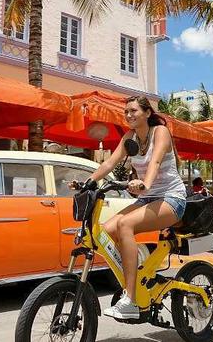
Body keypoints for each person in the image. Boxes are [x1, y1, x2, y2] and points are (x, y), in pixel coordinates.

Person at [72, 96, 187, 320]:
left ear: (147, 113)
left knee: (125, 224)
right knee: (105, 230)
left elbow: (154, 162)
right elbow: (108, 163)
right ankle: (138, 273)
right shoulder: (129, 137)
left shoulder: (160, 132)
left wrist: (146, 184)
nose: (129, 115)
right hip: (147, 199)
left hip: (172, 198)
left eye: (133, 110)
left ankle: (131, 299)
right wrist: (88, 183)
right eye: (126, 112)